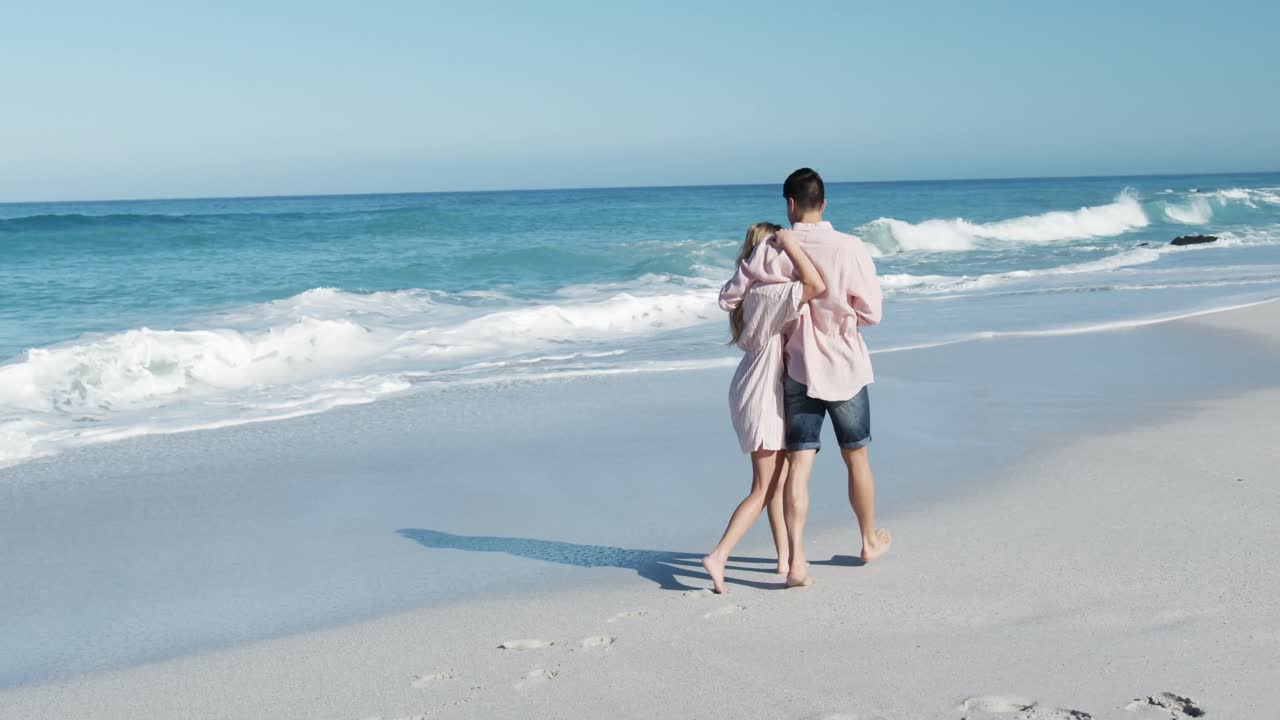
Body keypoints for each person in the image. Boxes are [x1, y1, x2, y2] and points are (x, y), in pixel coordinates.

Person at [718, 168, 891, 589]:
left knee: (799, 466)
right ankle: (868, 540)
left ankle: (796, 562)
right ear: (823, 203)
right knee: (857, 458)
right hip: (845, 367)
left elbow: (729, 297)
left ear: (790, 204)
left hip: (797, 369)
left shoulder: (772, 249)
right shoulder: (850, 247)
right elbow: (871, 313)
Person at [702, 222, 827, 594]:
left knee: (777, 482)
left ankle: (784, 558)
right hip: (761, 394)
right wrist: (792, 246)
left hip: (754, 386)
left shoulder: (750, 292)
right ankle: (719, 555)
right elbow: (816, 284)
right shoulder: (772, 294)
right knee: (763, 487)